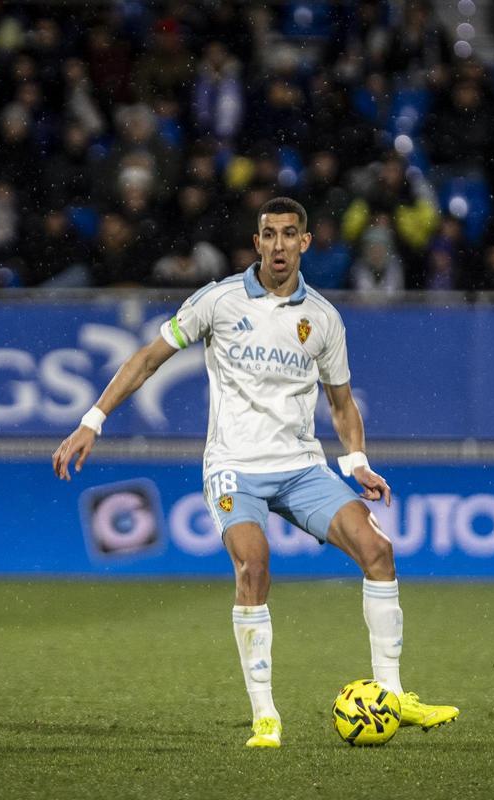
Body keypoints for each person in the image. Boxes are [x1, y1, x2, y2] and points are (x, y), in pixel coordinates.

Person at [52, 197, 459, 748]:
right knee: (253, 566)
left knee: (379, 550)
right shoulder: (216, 301)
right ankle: (265, 716)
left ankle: (391, 695)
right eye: (269, 235)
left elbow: (340, 404)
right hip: (234, 468)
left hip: (301, 467)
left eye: (290, 235)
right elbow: (148, 357)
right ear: (257, 242)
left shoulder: (323, 319)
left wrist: (357, 463)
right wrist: (92, 421)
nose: (279, 245)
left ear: (306, 243)